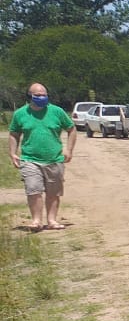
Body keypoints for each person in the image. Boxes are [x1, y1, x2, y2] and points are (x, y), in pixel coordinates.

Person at [8, 83, 75, 231]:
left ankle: (52, 220)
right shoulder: (20, 114)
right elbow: (14, 134)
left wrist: (69, 150)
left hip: (54, 159)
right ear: (29, 96)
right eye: (37, 95)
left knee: (53, 192)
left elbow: (71, 129)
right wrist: (13, 153)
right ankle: (36, 221)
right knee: (33, 190)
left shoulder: (57, 112)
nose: (41, 97)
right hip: (29, 159)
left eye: (44, 94)